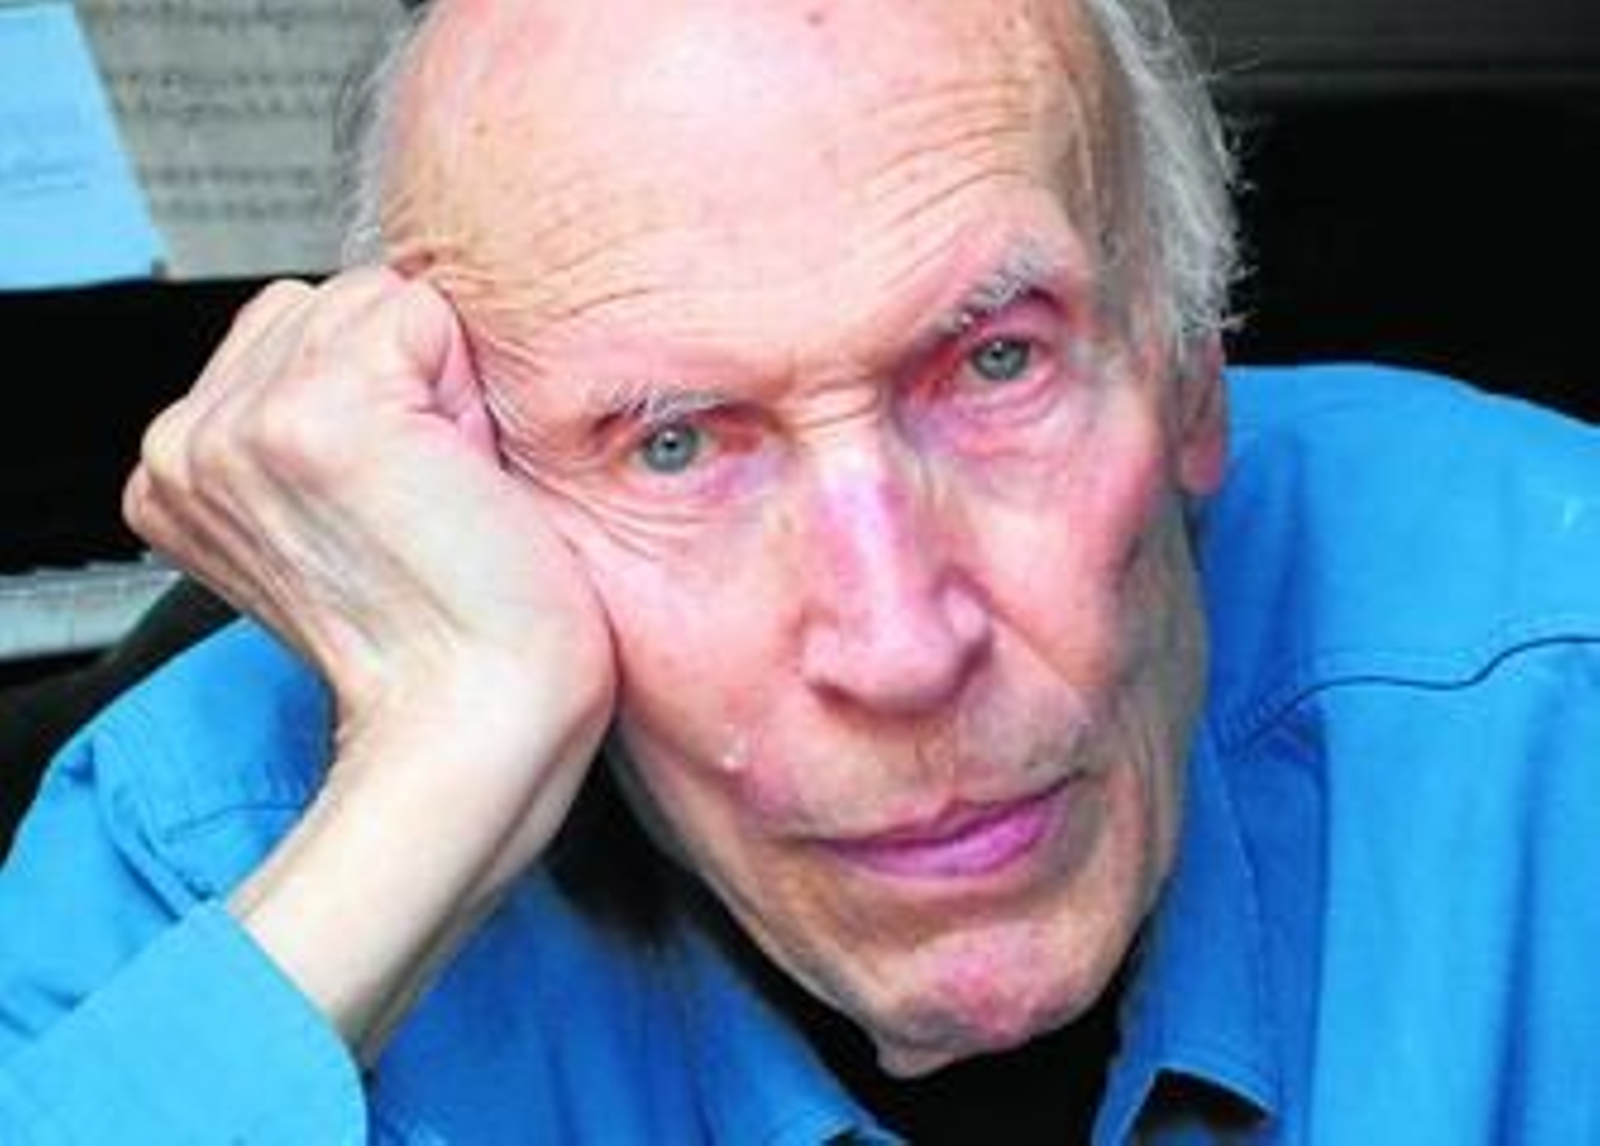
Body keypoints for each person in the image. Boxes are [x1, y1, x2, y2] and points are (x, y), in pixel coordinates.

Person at [3, 0, 1599, 1141]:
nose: (901, 644)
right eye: (672, 442)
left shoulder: (1558, 646)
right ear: (461, 484)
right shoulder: (212, 852)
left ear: (1189, 367)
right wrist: (441, 773)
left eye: (997, 363)